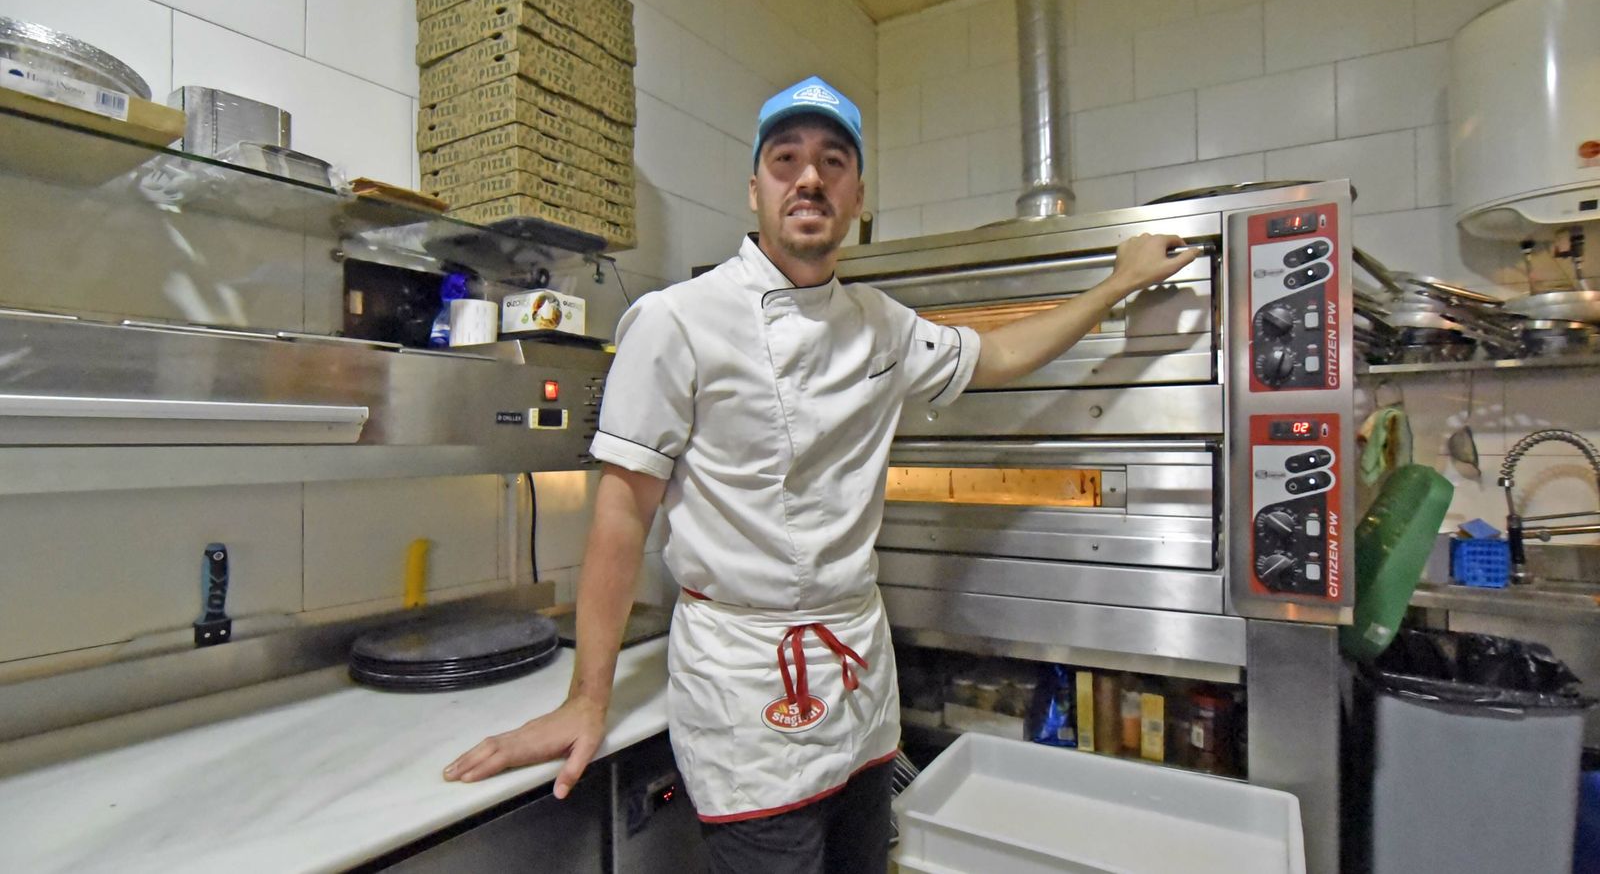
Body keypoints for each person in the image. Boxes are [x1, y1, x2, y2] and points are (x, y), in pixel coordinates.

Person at [444, 75, 1200, 872]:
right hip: (745, 692)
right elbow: (622, 513)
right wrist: (586, 700)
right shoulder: (677, 321)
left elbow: (1001, 354)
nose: (809, 177)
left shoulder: (881, 325)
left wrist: (1119, 282)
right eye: (786, 159)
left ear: (857, 197)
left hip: (860, 680)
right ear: (755, 189)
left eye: (833, 161)